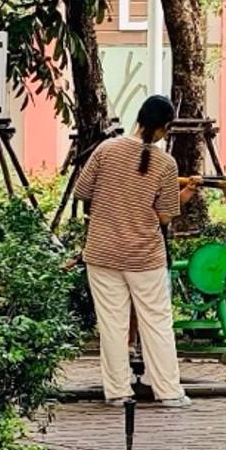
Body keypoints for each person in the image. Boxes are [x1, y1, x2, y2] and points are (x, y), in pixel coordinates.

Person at [74, 95, 199, 407]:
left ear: (139, 118)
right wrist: (183, 194)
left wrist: (111, 200)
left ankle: (118, 392)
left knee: (112, 325)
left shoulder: (106, 149)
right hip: (144, 255)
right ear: (164, 127)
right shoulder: (165, 164)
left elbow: (82, 191)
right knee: (157, 322)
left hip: (102, 250)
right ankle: (168, 391)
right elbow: (165, 216)